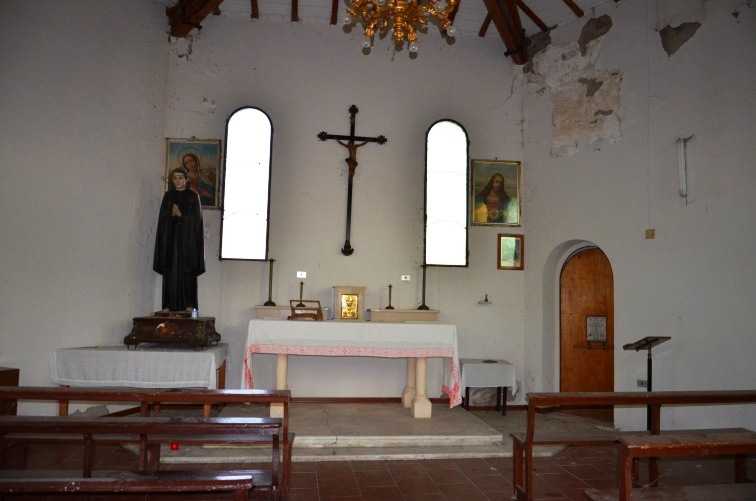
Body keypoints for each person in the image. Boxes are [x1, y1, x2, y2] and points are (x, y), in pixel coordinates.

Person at [153, 166, 205, 312]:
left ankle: (189, 303)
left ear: (186, 179)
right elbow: (162, 219)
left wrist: (182, 215)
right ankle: (168, 304)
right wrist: (171, 215)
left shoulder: (193, 196)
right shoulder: (168, 196)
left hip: (187, 243)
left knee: (187, 271)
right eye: (175, 178)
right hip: (170, 241)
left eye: (180, 178)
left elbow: (196, 220)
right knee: (170, 271)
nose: (177, 181)